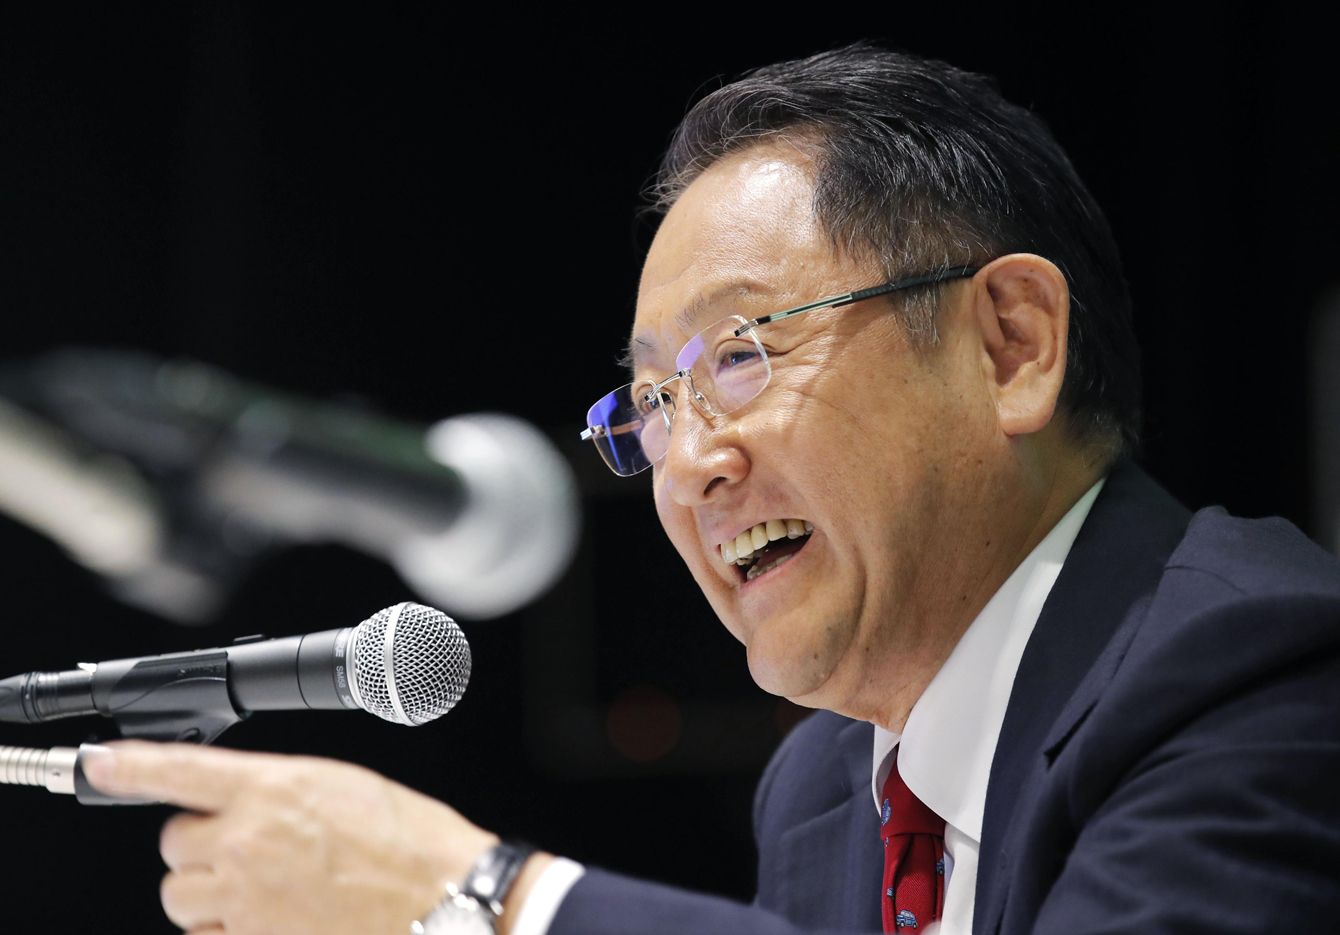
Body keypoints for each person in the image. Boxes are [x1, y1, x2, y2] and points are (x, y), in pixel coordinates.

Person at [83, 42, 1340, 935]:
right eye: (650, 404)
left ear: (1009, 344)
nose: (686, 465)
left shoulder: (1259, 673)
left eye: (738, 356)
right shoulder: (822, 791)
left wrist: (492, 897)